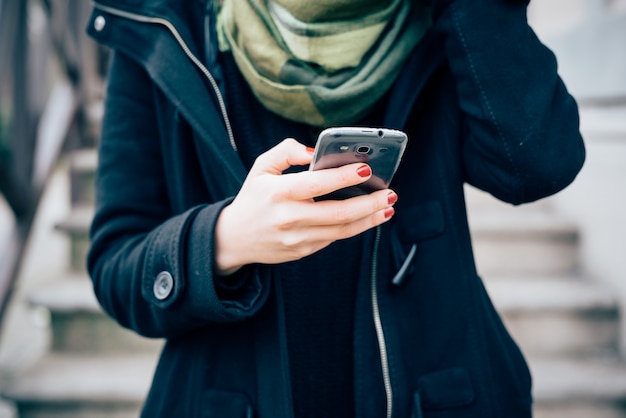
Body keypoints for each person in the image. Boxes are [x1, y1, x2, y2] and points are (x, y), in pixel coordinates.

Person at [85, 0, 585, 417]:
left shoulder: (440, 15)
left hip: (436, 391)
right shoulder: (162, 17)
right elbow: (116, 265)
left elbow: (537, 165)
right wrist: (223, 239)